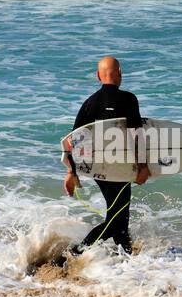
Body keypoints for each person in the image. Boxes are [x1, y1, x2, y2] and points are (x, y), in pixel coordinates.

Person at [62, 56, 150, 254]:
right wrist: (143, 167)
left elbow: (72, 140)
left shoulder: (90, 102)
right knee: (116, 219)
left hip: (99, 169)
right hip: (120, 166)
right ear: (120, 74)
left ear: (98, 76)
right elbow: (137, 135)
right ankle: (73, 254)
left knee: (121, 216)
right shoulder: (128, 99)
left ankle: (126, 258)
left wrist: (71, 173)